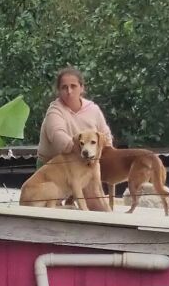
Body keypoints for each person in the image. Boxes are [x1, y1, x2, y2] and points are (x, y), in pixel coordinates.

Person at [37, 67, 113, 210]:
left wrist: (97, 154)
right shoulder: (54, 111)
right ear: (58, 90)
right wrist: (85, 151)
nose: (69, 91)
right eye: (64, 87)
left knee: (98, 206)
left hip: (85, 164)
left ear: (82, 88)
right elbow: (59, 139)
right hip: (52, 168)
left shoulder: (93, 109)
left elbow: (107, 138)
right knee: (55, 215)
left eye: (73, 86)